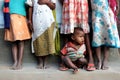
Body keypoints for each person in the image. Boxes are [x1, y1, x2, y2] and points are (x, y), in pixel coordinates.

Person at [60, 0, 96, 71]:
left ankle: (90, 58)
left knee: (84, 29)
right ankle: (63, 60)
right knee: (68, 29)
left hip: (82, 2)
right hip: (69, 2)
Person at [26, 0, 56, 69]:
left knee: (48, 39)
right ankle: (40, 61)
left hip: (48, 21)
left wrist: (47, 2)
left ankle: (45, 61)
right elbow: (30, 7)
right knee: (37, 39)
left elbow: (54, 7)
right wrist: (30, 20)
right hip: (36, 19)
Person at [91, 0, 120, 70]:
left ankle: (105, 60)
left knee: (108, 34)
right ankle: (99, 60)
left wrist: (117, 4)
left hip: (107, 9)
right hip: (96, 8)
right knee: (96, 34)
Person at [3, 0, 31, 70]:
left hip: (20, 17)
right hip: (10, 18)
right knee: (13, 42)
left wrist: (29, 19)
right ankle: (15, 62)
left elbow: (30, 5)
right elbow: (4, 7)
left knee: (20, 41)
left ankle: (19, 62)